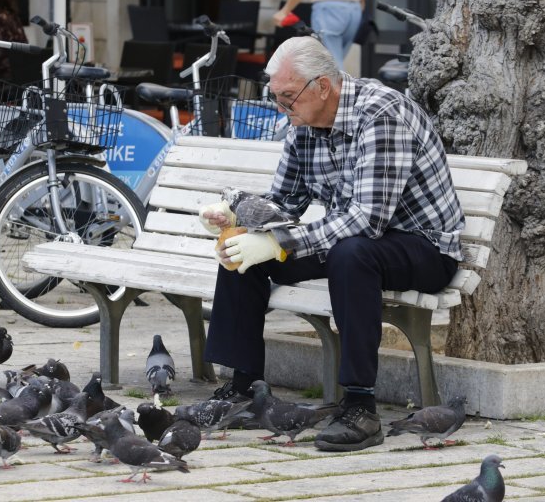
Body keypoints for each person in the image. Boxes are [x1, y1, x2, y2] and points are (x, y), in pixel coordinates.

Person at [198, 36, 465, 452]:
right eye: (278, 99)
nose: (283, 111)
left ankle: (361, 406)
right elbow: (284, 203)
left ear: (322, 86)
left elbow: (367, 219)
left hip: (424, 247)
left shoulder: (381, 112)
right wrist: (236, 213)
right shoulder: (302, 124)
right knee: (241, 250)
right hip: (356, 239)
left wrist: (279, 242)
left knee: (351, 253)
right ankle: (244, 389)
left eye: (288, 98)